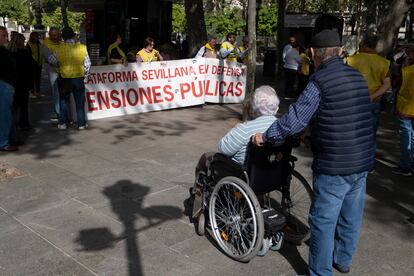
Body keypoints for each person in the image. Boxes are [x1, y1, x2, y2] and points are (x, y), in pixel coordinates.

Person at [253, 29, 375, 275]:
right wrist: (315, 131)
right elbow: (354, 115)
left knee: (323, 221)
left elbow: (293, 122)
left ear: (311, 53)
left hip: (335, 164)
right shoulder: (357, 77)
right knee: (351, 216)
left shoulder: (319, 82)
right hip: (362, 160)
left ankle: (320, 272)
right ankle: (342, 260)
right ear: (340, 51)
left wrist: (265, 137)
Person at [195, 85, 281, 179]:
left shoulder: (245, 129)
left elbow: (223, 148)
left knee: (206, 158)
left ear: (255, 106)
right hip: (271, 171)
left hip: (242, 173)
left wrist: (234, 130)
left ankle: (198, 191)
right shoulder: (280, 126)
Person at [46, 27, 91, 130]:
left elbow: (51, 60)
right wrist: (85, 75)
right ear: (74, 36)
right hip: (78, 78)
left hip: (64, 78)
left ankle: (63, 123)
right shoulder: (82, 48)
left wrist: (58, 66)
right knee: (79, 102)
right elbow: (88, 65)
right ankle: (81, 124)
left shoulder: (59, 49)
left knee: (63, 101)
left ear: (62, 37)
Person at [347, 34, 391, 136]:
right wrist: (372, 96)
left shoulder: (350, 60)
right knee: (370, 134)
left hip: (354, 100)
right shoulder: (384, 62)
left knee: (352, 132)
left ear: (362, 44)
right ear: (375, 46)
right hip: (373, 100)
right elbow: (387, 84)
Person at [392, 44, 414, 176]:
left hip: (406, 106)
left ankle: (406, 165)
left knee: (406, 135)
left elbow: (396, 81)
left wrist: (404, 62)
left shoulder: (407, 70)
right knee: (412, 136)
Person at [8, 32, 35, 130]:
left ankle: (12, 126)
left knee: (13, 105)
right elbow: (32, 66)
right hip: (23, 82)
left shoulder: (8, 53)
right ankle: (24, 123)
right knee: (23, 104)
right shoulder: (25, 52)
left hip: (12, 82)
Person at [0, 26, 18, 151]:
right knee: (4, 114)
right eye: (3, 36)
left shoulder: (5, 51)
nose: (6, 38)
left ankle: (10, 139)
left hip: (8, 84)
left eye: (6, 35)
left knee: (8, 113)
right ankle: (4, 142)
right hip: (4, 84)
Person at [42, 27, 62, 121]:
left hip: (63, 70)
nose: (54, 37)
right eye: (52, 35)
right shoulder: (46, 44)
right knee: (56, 91)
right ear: (49, 35)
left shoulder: (61, 43)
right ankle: (58, 113)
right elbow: (50, 60)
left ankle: (59, 111)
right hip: (52, 71)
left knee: (62, 92)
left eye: (56, 35)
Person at [26, 31, 44, 98]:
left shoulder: (39, 43)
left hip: (39, 63)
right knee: (32, 78)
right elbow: (28, 54)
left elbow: (41, 52)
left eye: (37, 36)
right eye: (35, 36)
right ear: (32, 37)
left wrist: (41, 61)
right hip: (32, 63)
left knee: (38, 78)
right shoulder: (29, 44)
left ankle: (38, 91)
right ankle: (32, 91)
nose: (37, 38)